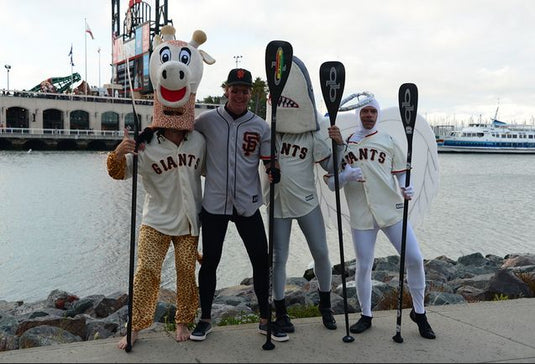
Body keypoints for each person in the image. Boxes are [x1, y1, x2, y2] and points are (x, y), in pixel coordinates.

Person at [325, 96, 436, 339]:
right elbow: (332, 183)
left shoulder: (389, 140)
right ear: (358, 115)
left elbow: (402, 174)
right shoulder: (343, 145)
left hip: (391, 210)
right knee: (364, 266)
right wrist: (345, 177)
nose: (368, 115)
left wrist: (408, 188)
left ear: (377, 115)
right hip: (362, 215)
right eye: (364, 111)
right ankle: (366, 315)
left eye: (372, 112)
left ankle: (420, 313)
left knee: (415, 259)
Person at [190, 68, 288, 343]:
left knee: (261, 260)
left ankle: (265, 320)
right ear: (226, 91)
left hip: (248, 203)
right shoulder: (207, 120)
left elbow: (269, 159)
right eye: (235, 89)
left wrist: (273, 170)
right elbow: (184, 137)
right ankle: (205, 319)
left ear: (250, 93)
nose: (240, 95)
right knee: (210, 262)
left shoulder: (260, 126)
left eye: (244, 91)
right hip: (215, 204)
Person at [108, 123, 205, 348]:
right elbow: (119, 173)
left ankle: (183, 321)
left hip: (188, 219)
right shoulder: (146, 144)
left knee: (186, 270)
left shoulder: (198, 141)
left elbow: (212, 169)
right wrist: (119, 152)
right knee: (146, 271)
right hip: (156, 220)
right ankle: (135, 326)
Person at [265, 56, 338, 333]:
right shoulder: (268, 127)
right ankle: (280, 311)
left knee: (321, 252)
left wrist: (338, 145)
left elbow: (330, 166)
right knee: (278, 259)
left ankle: (326, 306)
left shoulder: (314, 127)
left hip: (307, 202)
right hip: (278, 204)